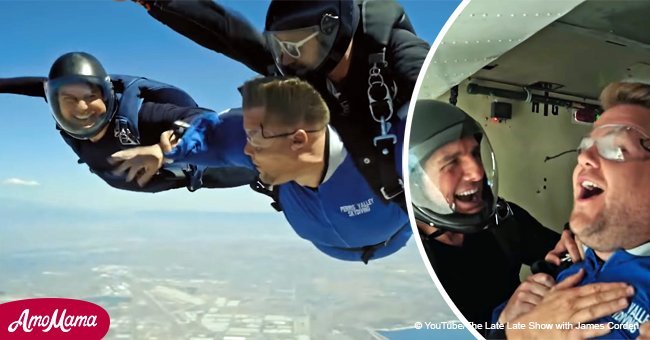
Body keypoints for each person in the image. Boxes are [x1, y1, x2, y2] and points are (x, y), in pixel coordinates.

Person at [129, 0, 431, 206]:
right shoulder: (305, 64)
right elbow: (228, 34)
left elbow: (427, 92)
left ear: (331, 29)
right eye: (279, 45)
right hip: (334, 196)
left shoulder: (398, 55)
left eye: (294, 46)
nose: (284, 58)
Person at [157, 76, 411, 263]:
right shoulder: (261, 145)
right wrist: (171, 149)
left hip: (390, 237)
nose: (250, 147)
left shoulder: (376, 150)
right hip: (345, 240)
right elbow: (219, 138)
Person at [497, 81, 650, 339]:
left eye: (614, 147)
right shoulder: (558, 271)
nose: (582, 157)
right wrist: (507, 329)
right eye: (586, 145)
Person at [407, 99, 560, 336]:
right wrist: (504, 329)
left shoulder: (502, 220)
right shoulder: (410, 269)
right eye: (451, 162)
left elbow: (559, 252)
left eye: (475, 153)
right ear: (414, 182)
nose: (477, 172)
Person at [0, 52, 256, 192]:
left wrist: (162, 151)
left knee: (253, 163)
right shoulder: (60, 106)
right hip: (140, 177)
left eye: (91, 96)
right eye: (69, 98)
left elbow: (202, 119)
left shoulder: (139, 116)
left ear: (108, 95)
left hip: (205, 171)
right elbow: (33, 86)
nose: (81, 107)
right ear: (54, 101)